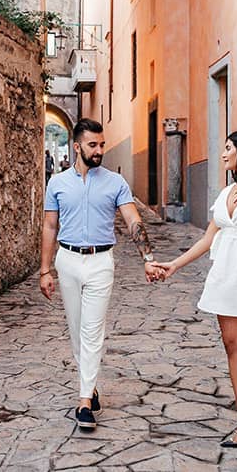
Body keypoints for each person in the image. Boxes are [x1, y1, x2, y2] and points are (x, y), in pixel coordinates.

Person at [151, 129, 237, 448]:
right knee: (232, 345)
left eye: (228, 148)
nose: (223, 153)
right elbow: (207, 238)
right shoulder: (224, 193)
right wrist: (174, 264)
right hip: (226, 277)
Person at [40, 118, 162, 431]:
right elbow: (50, 227)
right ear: (77, 146)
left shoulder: (115, 183)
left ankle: (83, 402)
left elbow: (134, 221)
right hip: (67, 260)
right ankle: (90, 387)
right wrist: (45, 269)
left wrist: (147, 258)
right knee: (77, 329)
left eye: (102, 144)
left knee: (92, 330)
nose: (99, 150)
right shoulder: (57, 184)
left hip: (100, 262)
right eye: (93, 145)